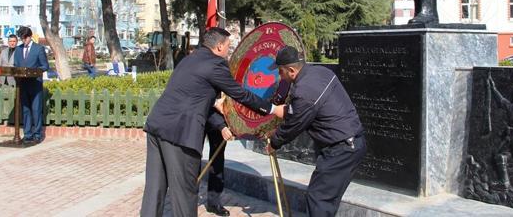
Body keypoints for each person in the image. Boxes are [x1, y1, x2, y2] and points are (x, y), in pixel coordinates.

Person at [140, 27, 276, 217]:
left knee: (154, 188)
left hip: (157, 125)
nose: (229, 51)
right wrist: (272, 109)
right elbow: (240, 94)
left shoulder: (190, 59)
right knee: (184, 192)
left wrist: (212, 102)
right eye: (228, 46)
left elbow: (189, 91)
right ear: (219, 46)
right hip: (180, 133)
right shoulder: (216, 65)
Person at [267, 46, 366, 217]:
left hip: (341, 149)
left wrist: (275, 142)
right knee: (326, 199)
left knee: (318, 198)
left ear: (291, 70)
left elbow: (295, 124)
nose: (279, 76)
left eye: (280, 72)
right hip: (350, 143)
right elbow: (302, 111)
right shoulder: (320, 72)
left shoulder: (305, 91)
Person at [13, 26, 49, 144]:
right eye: (21, 39)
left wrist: (34, 72)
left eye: (25, 38)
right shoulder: (18, 49)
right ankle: (27, 134)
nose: (23, 41)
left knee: (36, 109)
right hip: (22, 84)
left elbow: (45, 66)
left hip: (35, 83)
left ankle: (37, 134)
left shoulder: (38, 49)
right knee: (26, 110)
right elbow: (15, 65)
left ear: (30, 36)